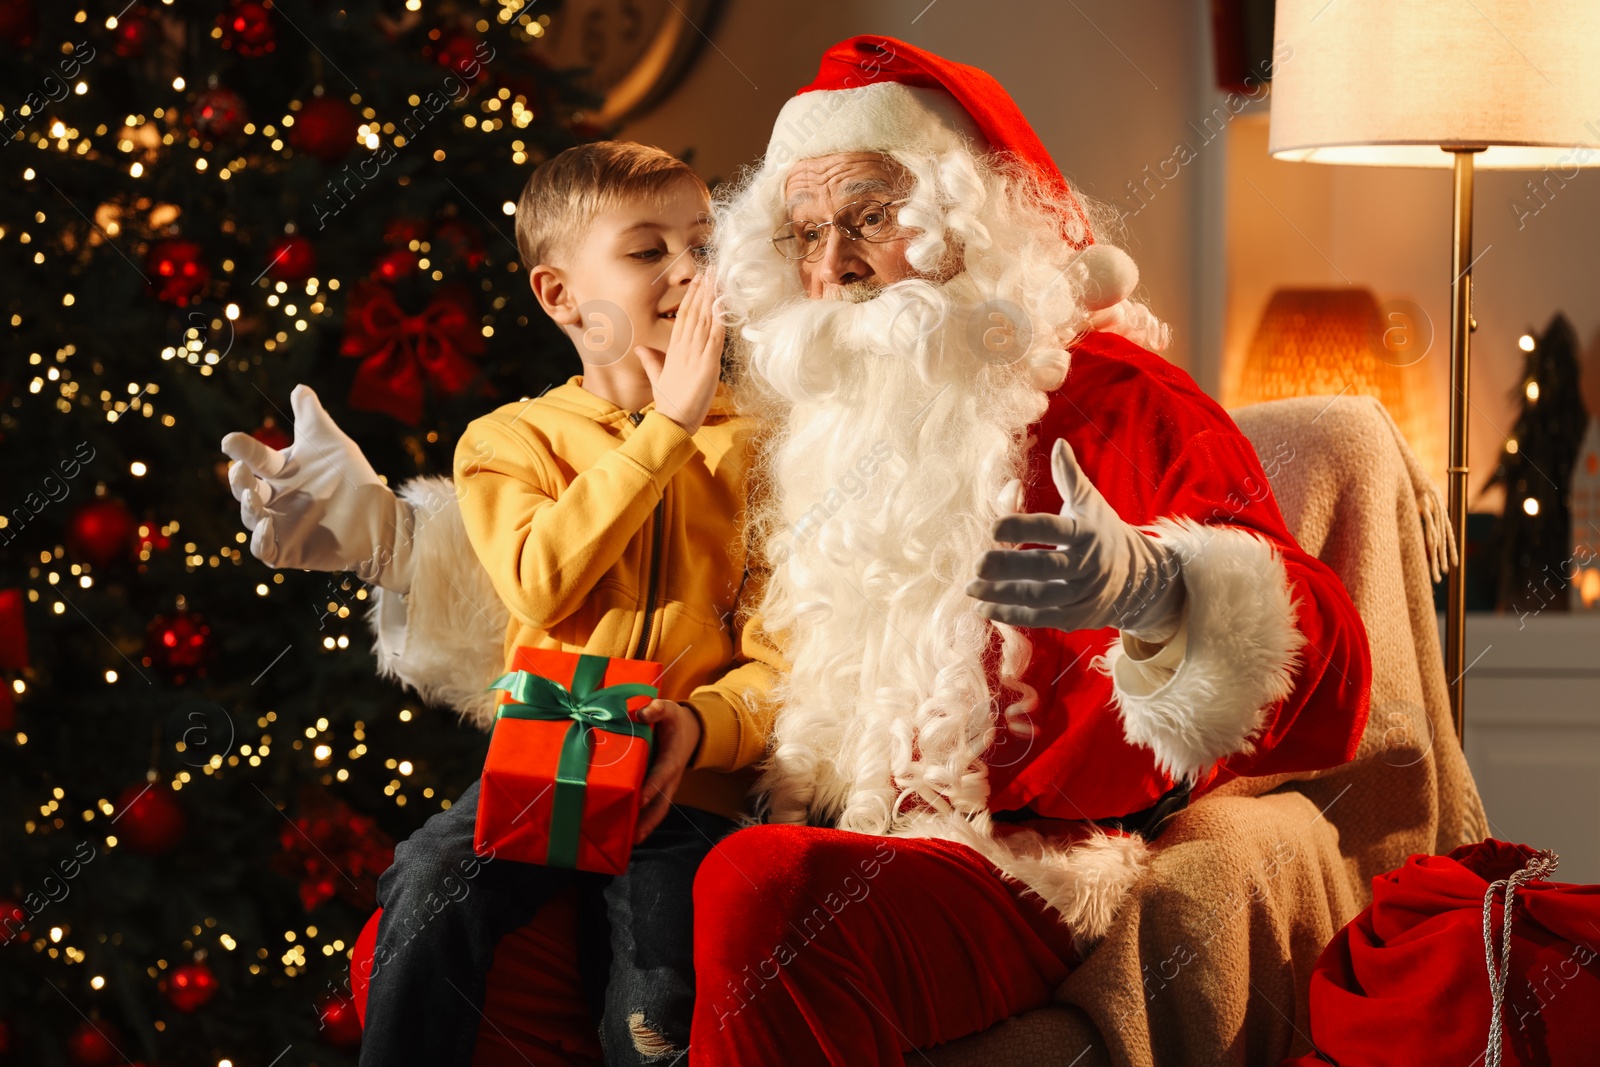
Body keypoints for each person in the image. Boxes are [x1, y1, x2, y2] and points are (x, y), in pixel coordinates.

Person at [226, 36, 1373, 1067]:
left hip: (1001, 859)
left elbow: (1323, 678)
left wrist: (1160, 590)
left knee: (753, 889)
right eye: (803, 233)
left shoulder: (1118, 399)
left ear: (967, 221)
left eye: (870, 216)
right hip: (757, 814)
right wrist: (388, 539)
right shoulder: (800, 411)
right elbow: (634, 581)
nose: (836, 265)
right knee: (446, 933)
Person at [222, 141, 783, 1067]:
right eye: (648, 252)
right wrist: (666, 430)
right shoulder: (507, 440)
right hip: (542, 760)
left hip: (683, 790)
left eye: (703, 243)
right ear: (561, 296)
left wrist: (702, 725)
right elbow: (538, 577)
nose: (690, 270)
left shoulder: (758, 445)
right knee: (429, 879)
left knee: (656, 1009)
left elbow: (779, 649)